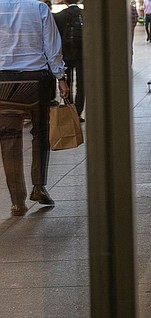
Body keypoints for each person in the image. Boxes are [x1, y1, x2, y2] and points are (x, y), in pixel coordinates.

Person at [0, 0, 69, 216]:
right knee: (40, 133)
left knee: (9, 139)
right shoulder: (39, 7)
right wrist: (60, 76)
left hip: (4, 82)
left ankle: (16, 201)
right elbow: (52, 44)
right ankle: (39, 186)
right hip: (35, 79)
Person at [54, 0, 85, 122]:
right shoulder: (84, 14)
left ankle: (69, 110)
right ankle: (78, 111)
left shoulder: (59, 16)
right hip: (82, 54)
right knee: (81, 84)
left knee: (67, 83)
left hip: (65, 54)